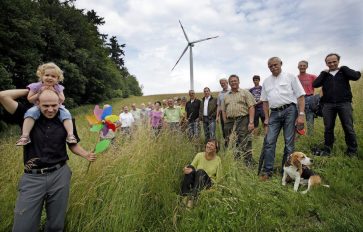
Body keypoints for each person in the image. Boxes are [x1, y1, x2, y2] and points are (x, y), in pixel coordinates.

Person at [0, 88, 96, 232]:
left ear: (59, 103)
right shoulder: (26, 116)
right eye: (45, 105)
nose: (50, 109)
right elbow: (3, 95)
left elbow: (72, 144)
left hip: (60, 174)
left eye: (54, 105)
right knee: (23, 227)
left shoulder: (65, 119)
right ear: (38, 102)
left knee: (56, 225)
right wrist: (34, 89)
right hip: (32, 178)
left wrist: (85, 154)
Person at [258, 57, 305, 180]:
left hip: (290, 110)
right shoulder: (266, 82)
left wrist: (301, 115)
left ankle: (288, 171)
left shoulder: (290, 77)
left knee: (289, 143)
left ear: (281, 64)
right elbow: (265, 102)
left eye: (275, 65)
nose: (273, 67)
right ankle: (267, 171)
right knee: (269, 142)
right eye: (270, 66)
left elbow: (300, 96)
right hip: (274, 113)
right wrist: (267, 119)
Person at [15, 62, 77, 146]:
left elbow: (62, 99)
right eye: (47, 75)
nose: (49, 78)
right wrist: (39, 92)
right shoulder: (36, 86)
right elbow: (30, 99)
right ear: (41, 76)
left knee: (66, 114)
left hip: (57, 106)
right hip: (38, 106)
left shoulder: (58, 87)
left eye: (53, 76)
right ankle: (25, 136)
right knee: (30, 113)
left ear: (57, 79)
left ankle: (70, 135)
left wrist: (56, 92)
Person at [312, 53, 361, 156]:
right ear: (326, 63)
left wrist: (343, 68)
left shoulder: (343, 71)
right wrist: (323, 73)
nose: (332, 64)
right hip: (328, 105)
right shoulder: (325, 75)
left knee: (348, 127)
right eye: (329, 62)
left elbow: (356, 76)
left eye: (334, 61)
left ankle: (352, 151)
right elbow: (315, 84)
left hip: (344, 104)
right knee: (328, 128)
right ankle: (327, 149)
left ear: (338, 61)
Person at [221, 75, 256, 165]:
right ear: (229, 83)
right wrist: (225, 122)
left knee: (244, 140)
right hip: (229, 121)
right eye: (231, 81)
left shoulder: (245, 92)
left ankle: (248, 163)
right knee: (230, 141)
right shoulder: (226, 96)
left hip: (243, 119)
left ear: (239, 81)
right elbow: (223, 110)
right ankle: (235, 162)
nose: (233, 82)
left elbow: (251, 107)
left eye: (235, 81)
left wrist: (251, 122)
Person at [180, 139, 222, 208]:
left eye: (212, 145)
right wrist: (186, 169)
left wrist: (212, 190)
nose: (209, 146)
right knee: (190, 167)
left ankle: (192, 199)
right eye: (208, 144)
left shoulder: (218, 160)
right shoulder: (199, 155)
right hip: (196, 181)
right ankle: (184, 196)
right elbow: (192, 167)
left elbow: (219, 180)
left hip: (207, 184)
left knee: (200, 171)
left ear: (215, 149)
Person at [297, 60, 317, 136]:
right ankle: (299, 136)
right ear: (298, 67)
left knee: (310, 119)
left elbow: (321, 83)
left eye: (304, 65)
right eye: (300, 65)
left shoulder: (312, 76)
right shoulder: (295, 78)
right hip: (298, 99)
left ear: (307, 67)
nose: (302, 67)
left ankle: (310, 137)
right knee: (299, 119)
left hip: (310, 98)